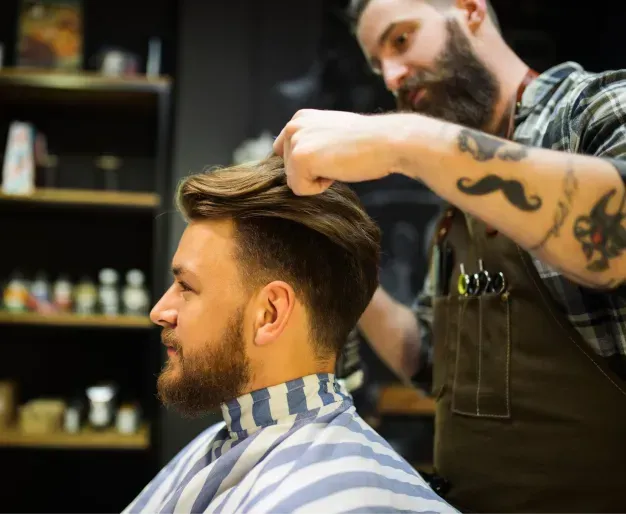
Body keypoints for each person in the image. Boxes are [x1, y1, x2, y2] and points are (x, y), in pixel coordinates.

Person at [272, 1, 626, 513]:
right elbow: (432, 361)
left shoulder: (595, 109)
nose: (391, 77)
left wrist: (402, 140)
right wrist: (346, 270)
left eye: (401, 39)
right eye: (378, 65)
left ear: (469, 9)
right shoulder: (456, 201)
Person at [122, 156, 460, 514]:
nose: (159, 311)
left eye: (186, 287)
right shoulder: (227, 440)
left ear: (270, 313)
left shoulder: (337, 503)